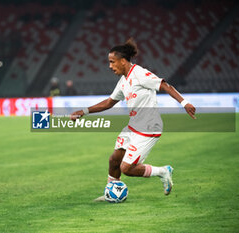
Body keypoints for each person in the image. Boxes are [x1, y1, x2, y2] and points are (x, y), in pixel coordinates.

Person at [70, 38, 196, 201]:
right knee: (114, 160)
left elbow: (164, 85)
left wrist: (184, 102)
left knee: (127, 168)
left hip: (149, 128)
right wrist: (84, 111)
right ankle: (111, 192)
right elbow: (109, 102)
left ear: (123, 61)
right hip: (133, 127)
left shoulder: (139, 74)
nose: (110, 66)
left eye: (112, 62)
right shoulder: (123, 81)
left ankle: (163, 171)